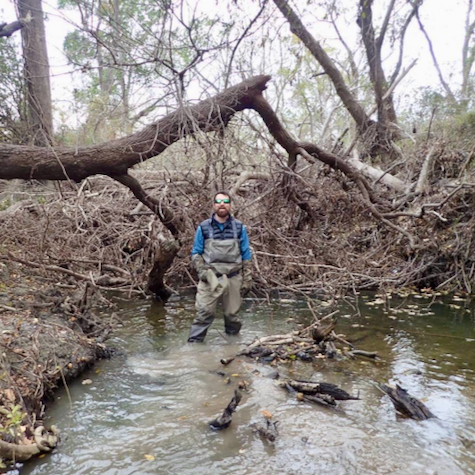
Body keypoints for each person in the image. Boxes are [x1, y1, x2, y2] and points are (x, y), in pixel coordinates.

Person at [188, 191, 252, 342]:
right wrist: (203, 273)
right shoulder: (203, 227)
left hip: (233, 277)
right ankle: (194, 351)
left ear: (230, 205)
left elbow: (246, 254)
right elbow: (196, 253)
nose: (222, 204)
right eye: (218, 201)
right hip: (210, 278)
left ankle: (233, 348)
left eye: (225, 201)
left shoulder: (239, 227)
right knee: (203, 314)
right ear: (214, 205)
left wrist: (248, 278)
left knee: (232, 316)